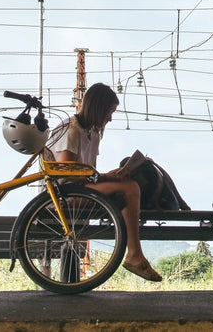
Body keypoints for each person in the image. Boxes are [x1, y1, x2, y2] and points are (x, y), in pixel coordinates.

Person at [46, 83, 162, 282]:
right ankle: (134, 254)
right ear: (98, 109)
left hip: (80, 190)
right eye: (110, 112)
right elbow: (66, 171)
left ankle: (135, 253)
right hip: (62, 195)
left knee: (128, 187)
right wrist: (108, 178)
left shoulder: (93, 134)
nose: (110, 118)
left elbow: (89, 173)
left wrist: (112, 175)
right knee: (130, 189)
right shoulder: (71, 129)